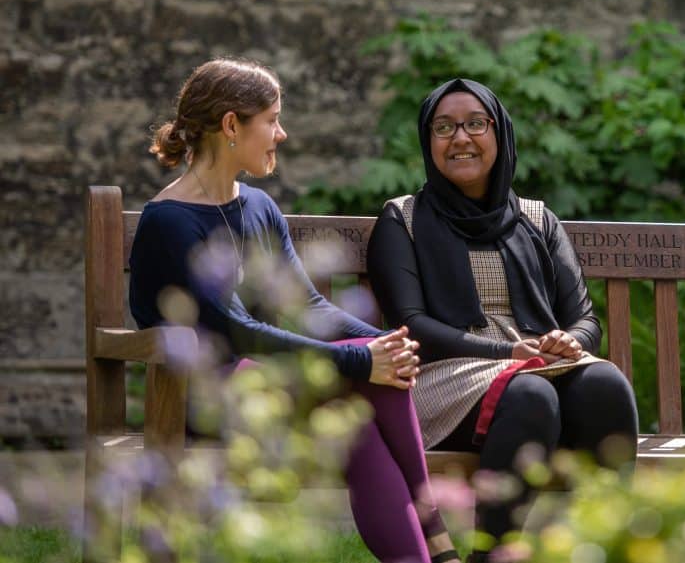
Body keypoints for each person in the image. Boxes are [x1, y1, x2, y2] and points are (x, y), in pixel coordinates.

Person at [128, 57, 459, 563]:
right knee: (363, 383)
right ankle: (433, 530)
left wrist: (387, 344)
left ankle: (423, 555)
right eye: (272, 120)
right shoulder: (169, 222)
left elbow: (308, 307)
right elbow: (234, 331)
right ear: (232, 126)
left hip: (269, 383)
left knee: (360, 425)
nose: (281, 134)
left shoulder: (259, 207)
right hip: (201, 397)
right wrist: (361, 360)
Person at [366, 78, 638, 562]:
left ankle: (604, 545)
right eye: (444, 128)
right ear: (428, 143)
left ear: (500, 133)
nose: (460, 138)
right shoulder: (401, 219)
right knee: (529, 393)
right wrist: (506, 352)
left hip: (536, 366)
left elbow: (584, 319)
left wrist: (566, 342)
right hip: (445, 372)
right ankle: (492, 554)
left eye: (475, 124)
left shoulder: (537, 219)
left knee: (606, 385)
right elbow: (413, 325)